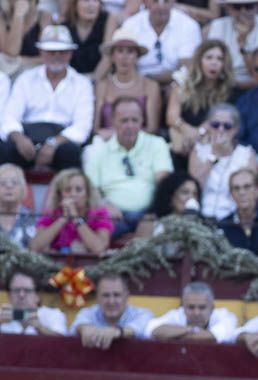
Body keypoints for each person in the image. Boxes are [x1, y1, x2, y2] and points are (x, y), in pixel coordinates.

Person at [0, 25, 93, 170]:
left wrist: (54, 143)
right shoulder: (26, 79)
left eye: (62, 52)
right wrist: (19, 139)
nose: (56, 56)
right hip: (28, 136)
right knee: (6, 150)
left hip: (62, 140)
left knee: (70, 152)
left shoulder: (82, 83)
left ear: (70, 53)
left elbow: (82, 126)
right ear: (42, 52)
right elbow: (10, 116)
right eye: (51, 52)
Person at [84, 95, 172, 238]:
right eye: (124, 120)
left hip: (147, 214)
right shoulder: (97, 151)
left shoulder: (157, 144)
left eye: (135, 120)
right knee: (95, 235)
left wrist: (154, 210)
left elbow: (164, 183)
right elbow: (91, 189)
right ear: (112, 121)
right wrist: (104, 205)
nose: (130, 125)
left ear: (142, 120)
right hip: (112, 215)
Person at [166, 39, 236, 156]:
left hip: (212, 137)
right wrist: (187, 130)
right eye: (209, 58)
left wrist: (200, 132)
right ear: (199, 61)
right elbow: (171, 117)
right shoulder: (183, 86)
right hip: (184, 136)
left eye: (219, 59)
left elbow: (222, 120)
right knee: (174, 134)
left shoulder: (229, 91)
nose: (214, 63)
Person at [93, 26, 162, 140]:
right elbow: (96, 127)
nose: (124, 57)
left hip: (141, 141)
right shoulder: (102, 86)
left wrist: (124, 136)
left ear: (137, 57)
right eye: (120, 51)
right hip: (107, 141)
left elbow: (152, 128)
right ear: (112, 56)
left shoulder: (150, 86)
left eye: (130, 52)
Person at [189, 103, 256, 220]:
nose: (221, 130)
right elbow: (194, 188)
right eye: (215, 125)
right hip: (202, 216)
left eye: (227, 126)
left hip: (233, 219)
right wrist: (214, 155)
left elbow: (251, 192)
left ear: (236, 129)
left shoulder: (246, 154)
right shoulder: (199, 151)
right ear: (208, 126)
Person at [206, 0, 258, 89]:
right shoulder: (218, 25)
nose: (243, 11)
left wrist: (243, 44)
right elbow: (212, 64)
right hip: (223, 84)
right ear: (228, 8)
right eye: (237, 7)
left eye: (249, 6)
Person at [31, 169, 112, 255]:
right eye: (68, 190)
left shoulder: (100, 214)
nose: (73, 194)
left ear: (87, 194)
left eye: (78, 190)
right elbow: (34, 247)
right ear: (60, 194)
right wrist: (62, 219)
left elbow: (99, 248)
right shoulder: (52, 213)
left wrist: (76, 218)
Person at [124, 0, 202, 85]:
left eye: (166, 1)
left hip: (176, 82)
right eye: (155, 1)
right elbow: (125, 62)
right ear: (145, 2)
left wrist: (156, 80)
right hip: (138, 82)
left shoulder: (189, 25)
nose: (161, 7)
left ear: (173, 2)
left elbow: (186, 67)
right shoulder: (131, 24)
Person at [70, 272, 153, 348]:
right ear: (97, 297)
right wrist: (85, 329)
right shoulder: (87, 313)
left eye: (116, 295)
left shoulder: (142, 314)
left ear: (126, 296)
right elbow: (79, 325)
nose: (111, 301)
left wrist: (117, 332)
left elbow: (135, 329)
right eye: (106, 295)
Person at [218, 166, 258, 257]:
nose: (241, 192)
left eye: (247, 187)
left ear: (257, 190)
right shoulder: (224, 225)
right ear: (231, 194)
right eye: (236, 188)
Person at [145, 281, 239, 342]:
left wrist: (173, 334)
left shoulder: (226, 316)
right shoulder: (177, 314)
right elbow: (154, 330)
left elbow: (211, 337)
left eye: (202, 307)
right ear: (183, 308)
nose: (196, 313)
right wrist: (191, 329)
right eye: (191, 307)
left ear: (212, 308)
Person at [0, 267, 67, 335]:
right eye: (16, 290)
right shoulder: (1, 314)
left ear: (37, 295)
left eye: (27, 290)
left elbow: (63, 340)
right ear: (9, 295)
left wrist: (40, 327)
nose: (21, 295)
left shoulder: (53, 315)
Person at [134, 170, 200, 237]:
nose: (191, 198)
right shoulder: (150, 223)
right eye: (185, 192)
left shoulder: (200, 226)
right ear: (170, 196)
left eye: (195, 194)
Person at [0, 165, 37, 248]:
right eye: (2, 183)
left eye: (14, 182)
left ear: (22, 189)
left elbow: (36, 250)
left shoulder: (32, 217)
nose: (9, 186)